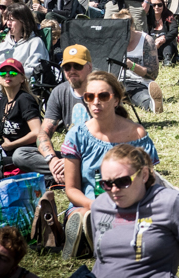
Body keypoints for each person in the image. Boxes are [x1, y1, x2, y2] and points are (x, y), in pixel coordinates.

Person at [67, 145, 179, 278]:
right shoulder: (100, 206)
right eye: (107, 184)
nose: (114, 190)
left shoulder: (172, 204)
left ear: (144, 175)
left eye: (123, 181)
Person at [61, 71, 159, 260]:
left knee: (137, 218)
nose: (96, 102)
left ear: (116, 100)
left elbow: (150, 183)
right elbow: (71, 189)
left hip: (130, 204)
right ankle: (88, 232)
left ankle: (96, 238)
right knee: (83, 215)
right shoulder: (77, 135)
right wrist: (94, 205)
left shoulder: (136, 134)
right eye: (90, 97)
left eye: (103, 96)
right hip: (89, 204)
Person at [0, 2, 48, 128]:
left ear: (23, 22)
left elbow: (34, 69)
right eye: (7, 20)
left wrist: (11, 72)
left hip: (19, 81)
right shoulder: (2, 41)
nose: (8, 24)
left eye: (12, 20)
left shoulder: (35, 42)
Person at [34, 44, 94, 183]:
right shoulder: (59, 91)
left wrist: (70, 161)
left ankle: (69, 174)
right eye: (67, 67)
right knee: (21, 155)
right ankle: (67, 173)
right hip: (70, 155)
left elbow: (110, 138)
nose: (72, 71)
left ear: (89, 67)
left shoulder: (101, 90)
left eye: (77, 66)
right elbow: (43, 134)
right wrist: (52, 160)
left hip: (96, 153)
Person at [0, 58, 43, 173]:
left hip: (25, 154)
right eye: (3, 73)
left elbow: (37, 133)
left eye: (13, 72)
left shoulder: (25, 100)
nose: (7, 75)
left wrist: (11, 145)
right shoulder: (0, 103)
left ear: (22, 78)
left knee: (18, 155)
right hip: (6, 155)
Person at [111, 9, 163, 113]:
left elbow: (153, 74)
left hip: (138, 82)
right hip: (115, 81)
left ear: (131, 27)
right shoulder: (111, 40)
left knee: (138, 95)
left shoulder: (146, 40)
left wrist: (131, 65)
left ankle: (152, 104)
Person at [147, 0, 179, 67]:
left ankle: (167, 60)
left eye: (159, 5)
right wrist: (154, 43)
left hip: (167, 48)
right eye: (153, 5)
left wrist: (164, 39)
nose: (157, 7)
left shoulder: (169, 16)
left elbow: (174, 31)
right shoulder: (146, 19)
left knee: (167, 43)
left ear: (163, 5)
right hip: (151, 48)